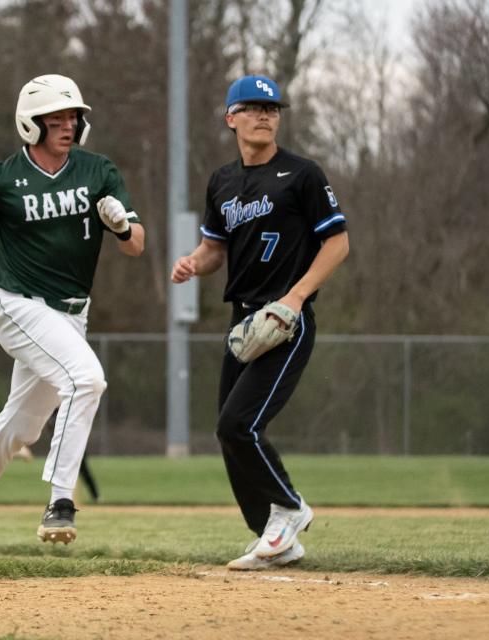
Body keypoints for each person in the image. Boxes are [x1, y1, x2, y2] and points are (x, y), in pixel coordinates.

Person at [0, 73, 145, 552]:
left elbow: (137, 246)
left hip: (72, 315)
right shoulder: (1, 177)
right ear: (31, 124)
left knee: (23, 424)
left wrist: (120, 227)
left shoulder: (98, 171)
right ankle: (61, 501)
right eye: (56, 118)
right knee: (87, 379)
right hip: (18, 306)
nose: (68, 125)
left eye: (73, 116)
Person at [171, 75, 349, 571]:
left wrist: (294, 297)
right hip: (243, 324)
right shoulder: (223, 182)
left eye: (271, 108)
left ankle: (289, 508)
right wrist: (192, 263)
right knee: (228, 433)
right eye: (251, 107)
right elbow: (214, 250)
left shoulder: (303, 174)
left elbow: (338, 244)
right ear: (231, 118)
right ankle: (274, 536)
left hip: (287, 322)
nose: (265, 114)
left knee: (239, 423)